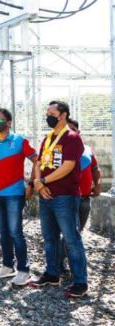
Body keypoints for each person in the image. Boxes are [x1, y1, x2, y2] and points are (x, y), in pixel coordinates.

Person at [30, 101, 88, 298]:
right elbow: (38, 162)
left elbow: (68, 166)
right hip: (45, 195)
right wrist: (38, 183)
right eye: (47, 112)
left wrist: (43, 180)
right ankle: (52, 273)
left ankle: (80, 281)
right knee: (49, 238)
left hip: (65, 196)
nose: (48, 115)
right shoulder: (47, 138)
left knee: (71, 239)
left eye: (52, 113)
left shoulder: (72, 138)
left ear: (63, 115)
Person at [0, 108, 35, 287]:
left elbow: (37, 160)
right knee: (3, 232)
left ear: (9, 122)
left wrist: (32, 184)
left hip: (14, 195)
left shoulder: (20, 141)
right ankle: (7, 265)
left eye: (0, 119)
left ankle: (24, 270)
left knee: (15, 232)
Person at [59, 118, 101, 275]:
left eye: (72, 129)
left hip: (84, 199)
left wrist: (97, 185)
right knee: (71, 233)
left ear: (78, 132)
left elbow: (95, 169)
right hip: (67, 199)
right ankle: (67, 265)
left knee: (76, 232)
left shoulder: (87, 149)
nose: (69, 133)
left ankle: (63, 262)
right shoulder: (58, 151)